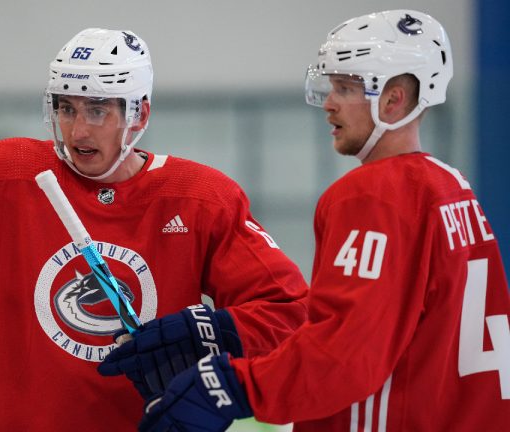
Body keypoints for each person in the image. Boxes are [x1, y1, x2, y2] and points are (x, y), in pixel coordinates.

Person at [135, 10, 510, 432]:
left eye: (346, 88)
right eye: (330, 86)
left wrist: (230, 385)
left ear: (393, 99)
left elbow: (347, 351)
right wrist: (234, 331)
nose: (329, 103)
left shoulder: (372, 195)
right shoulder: (453, 188)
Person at [0, 28, 308, 431]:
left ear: (139, 113)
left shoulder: (201, 199)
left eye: (97, 110)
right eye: (67, 108)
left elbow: (290, 312)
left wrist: (204, 332)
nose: (78, 130)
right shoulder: (7, 176)